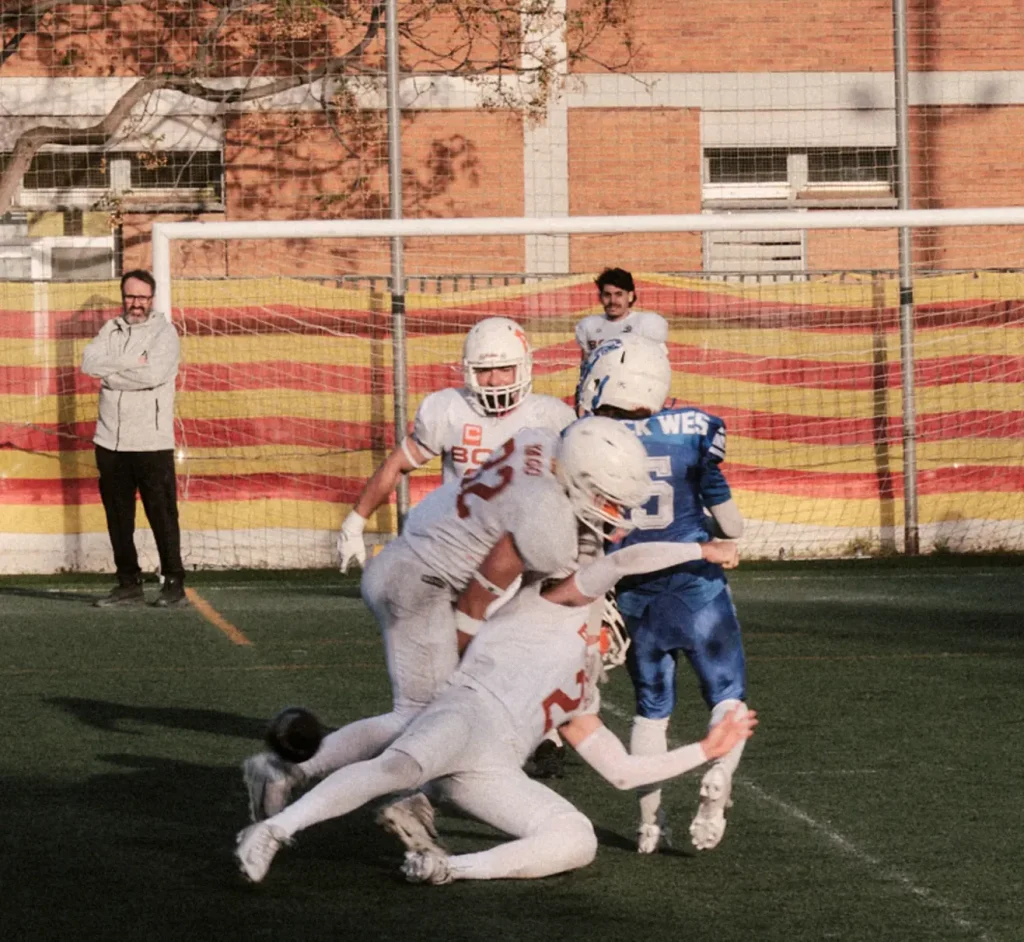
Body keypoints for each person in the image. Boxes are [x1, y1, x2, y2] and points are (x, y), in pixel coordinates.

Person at [234, 537, 756, 885]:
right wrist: (701, 549)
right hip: (466, 714)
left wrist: (706, 750)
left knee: (576, 837)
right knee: (396, 766)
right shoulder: (553, 607)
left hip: (491, 766)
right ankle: (275, 830)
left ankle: (449, 868)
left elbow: (620, 773)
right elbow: (619, 563)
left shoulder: (582, 694)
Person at [242, 417, 653, 823]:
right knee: (422, 717)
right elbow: (476, 602)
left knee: (434, 719)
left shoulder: (541, 440)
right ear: (580, 478)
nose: (615, 515)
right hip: (422, 580)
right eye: (607, 500)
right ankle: (289, 772)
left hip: (416, 560)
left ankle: (408, 800)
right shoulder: (549, 519)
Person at [578, 335, 748, 854]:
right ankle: (719, 776)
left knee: (652, 710)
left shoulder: (586, 436)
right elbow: (730, 523)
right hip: (696, 589)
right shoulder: (692, 430)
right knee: (727, 696)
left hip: (632, 597)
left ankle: (650, 824)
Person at [337, 316, 575, 572]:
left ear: (524, 367)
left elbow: (577, 488)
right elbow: (397, 466)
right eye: (484, 370)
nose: (494, 381)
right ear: (469, 371)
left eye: (505, 369)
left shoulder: (551, 417)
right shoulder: (449, 409)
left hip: (526, 548)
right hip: (463, 547)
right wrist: (354, 523)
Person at [80, 269, 187, 608]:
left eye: (141, 297)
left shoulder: (165, 334)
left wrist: (112, 373)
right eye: (130, 296)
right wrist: (130, 363)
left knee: (162, 515)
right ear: (122, 296)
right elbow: (88, 363)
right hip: (110, 441)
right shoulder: (109, 330)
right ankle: (128, 583)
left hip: (152, 443)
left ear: (151, 299)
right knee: (117, 517)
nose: (135, 303)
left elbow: (153, 374)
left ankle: (174, 583)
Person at [574, 267, 669, 360]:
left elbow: (659, 364)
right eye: (607, 295)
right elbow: (586, 367)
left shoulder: (646, 323)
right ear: (600, 297)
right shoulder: (589, 326)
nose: (612, 301)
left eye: (618, 294)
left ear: (630, 296)